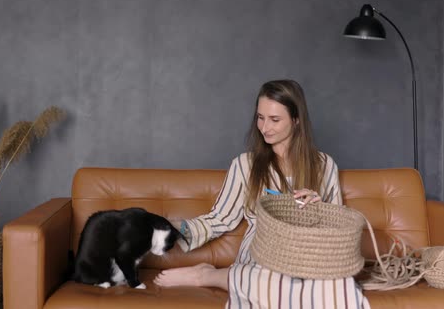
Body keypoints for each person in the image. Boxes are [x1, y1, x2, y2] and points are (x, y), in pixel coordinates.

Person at [154, 79, 370, 309]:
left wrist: (320, 208)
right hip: (263, 250)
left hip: (309, 254)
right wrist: (173, 227)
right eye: (260, 117)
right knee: (270, 280)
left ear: (296, 121)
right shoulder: (245, 165)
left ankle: (224, 277)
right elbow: (219, 219)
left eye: (275, 119)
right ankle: (206, 275)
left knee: (340, 287)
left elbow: (337, 230)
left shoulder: (325, 165)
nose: (265, 127)